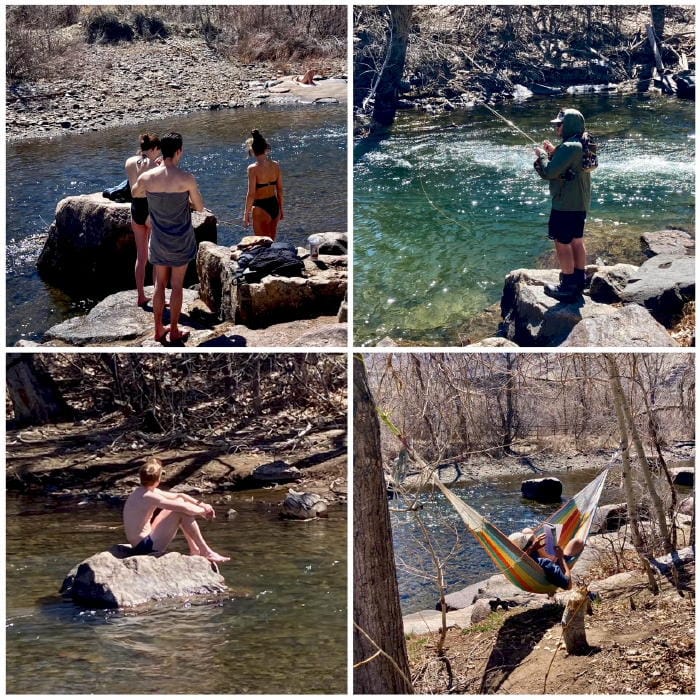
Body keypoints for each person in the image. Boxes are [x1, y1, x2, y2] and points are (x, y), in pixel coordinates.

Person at [132, 132, 204, 344]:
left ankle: (158, 329)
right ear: (179, 151)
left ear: (162, 151)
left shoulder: (148, 178)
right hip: (181, 239)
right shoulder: (186, 178)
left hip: (159, 240)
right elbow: (199, 207)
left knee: (159, 285)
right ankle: (173, 330)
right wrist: (186, 203)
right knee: (177, 285)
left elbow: (136, 194)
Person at [534, 108, 592, 302]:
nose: (557, 127)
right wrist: (553, 152)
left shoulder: (569, 147)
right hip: (580, 203)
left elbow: (550, 172)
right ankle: (579, 279)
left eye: (560, 124)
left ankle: (567, 286)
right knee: (576, 240)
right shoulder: (581, 143)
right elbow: (568, 165)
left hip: (565, 204)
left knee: (562, 243)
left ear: (568, 126)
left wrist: (541, 156)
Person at [123, 457, 230, 563]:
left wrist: (202, 505)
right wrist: (203, 512)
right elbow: (184, 508)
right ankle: (205, 551)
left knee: (179, 503)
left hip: (144, 541)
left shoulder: (142, 491)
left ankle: (195, 549)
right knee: (180, 512)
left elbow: (180, 495)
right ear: (158, 479)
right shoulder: (148, 496)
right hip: (144, 547)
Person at [124, 133, 161, 307]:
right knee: (155, 255)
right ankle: (156, 295)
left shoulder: (129, 161)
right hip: (149, 208)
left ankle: (140, 295)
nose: (159, 153)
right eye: (158, 150)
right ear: (153, 149)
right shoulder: (155, 164)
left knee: (141, 255)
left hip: (135, 208)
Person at [244, 129, 284, 240]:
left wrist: (246, 215)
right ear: (266, 148)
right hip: (274, 205)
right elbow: (280, 190)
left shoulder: (253, 169)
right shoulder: (276, 165)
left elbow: (251, 194)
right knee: (272, 241)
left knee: (261, 242)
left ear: (252, 150)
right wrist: (281, 209)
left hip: (260, 208)